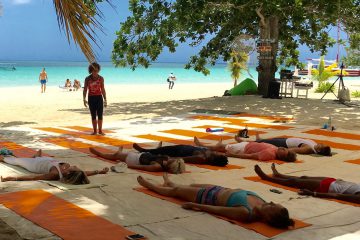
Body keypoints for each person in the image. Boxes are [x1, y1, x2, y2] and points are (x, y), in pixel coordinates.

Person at [137, 173, 294, 229]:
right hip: (219, 189)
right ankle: (169, 182)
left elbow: (217, 210)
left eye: (273, 206)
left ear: (269, 218)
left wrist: (194, 206)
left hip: (208, 197)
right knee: (187, 186)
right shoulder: (262, 203)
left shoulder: (246, 213)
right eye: (274, 203)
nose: (271, 203)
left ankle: (151, 186)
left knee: (176, 192)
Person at [255, 163, 360, 204]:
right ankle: (279, 175)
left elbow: (337, 195)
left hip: (327, 187)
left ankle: (266, 178)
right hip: (335, 181)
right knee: (304, 178)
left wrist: (312, 194)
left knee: (295, 182)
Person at [0, 150, 109, 184]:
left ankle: (33, 158)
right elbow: (85, 172)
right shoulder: (70, 171)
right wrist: (99, 171)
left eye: (75, 168)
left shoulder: (55, 174)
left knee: (13, 160)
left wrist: (12, 178)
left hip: (34, 165)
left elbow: (34, 177)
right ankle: (35, 157)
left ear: (69, 173)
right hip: (46, 161)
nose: (76, 166)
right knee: (35, 157)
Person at [194, 136, 297, 162]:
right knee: (222, 147)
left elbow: (251, 156)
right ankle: (218, 147)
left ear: (281, 156)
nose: (283, 148)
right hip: (246, 145)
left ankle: (202, 146)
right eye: (284, 149)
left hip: (244, 149)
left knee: (221, 148)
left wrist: (233, 155)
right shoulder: (275, 149)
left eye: (283, 151)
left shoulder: (269, 154)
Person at [89, 146, 185, 174]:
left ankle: (100, 154)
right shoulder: (166, 159)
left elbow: (142, 167)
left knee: (116, 155)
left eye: (173, 161)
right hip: (141, 155)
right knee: (118, 155)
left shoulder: (157, 166)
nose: (172, 159)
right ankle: (119, 152)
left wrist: (127, 165)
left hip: (133, 159)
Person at [133, 142, 228, 166]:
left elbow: (184, 159)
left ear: (216, 158)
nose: (217, 152)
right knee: (161, 149)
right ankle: (148, 150)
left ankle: (144, 150)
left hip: (178, 151)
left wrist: (169, 158)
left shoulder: (202, 158)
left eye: (219, 154)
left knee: (159, 151)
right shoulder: (209, 154)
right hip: (183, 147)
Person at [83, 62, 107, 135]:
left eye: (96, 70)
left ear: (98, 70)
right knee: (93, 115)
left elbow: (103, 89)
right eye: (93, 70)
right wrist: (84, 99)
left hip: (99, 98)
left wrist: (105, 99)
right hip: (91, 98)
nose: (95, 72)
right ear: (91, 70)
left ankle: (100, 130)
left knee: (100, 114)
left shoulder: (101, 78)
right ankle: (95, 131)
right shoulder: (87, 79)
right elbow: (85, 90)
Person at [254, 133, 331, 156]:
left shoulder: (308, 148)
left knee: (264, 142)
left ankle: (249, 142)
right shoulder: (314, 145)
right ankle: (259, 140)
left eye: (322, 145)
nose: (321, 143)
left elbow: (293, 150)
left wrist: (279, 150)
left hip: (284, 144)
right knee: (269, 140)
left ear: (319, 150)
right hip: (287, 140)